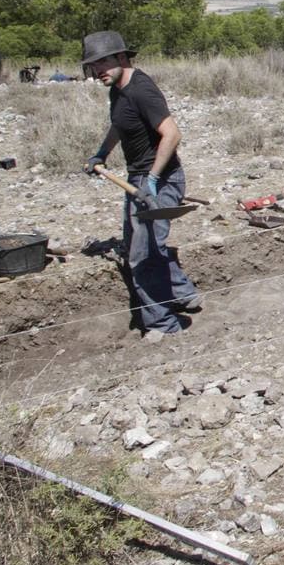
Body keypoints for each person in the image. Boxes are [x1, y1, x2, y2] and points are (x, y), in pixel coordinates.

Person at [81, 31, 199, 340]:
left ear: (122, 57)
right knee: (145, 243)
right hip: (138, 180)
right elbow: (120, 124)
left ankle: (163, 324)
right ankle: (185, 295)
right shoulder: (117, 90)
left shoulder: (141, 90)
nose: (98, 71)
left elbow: (172, 134)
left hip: (161, 180)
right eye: (93, 65)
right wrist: (101, 153)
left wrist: (153, 179)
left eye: (103, 63)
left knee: (141, 255)